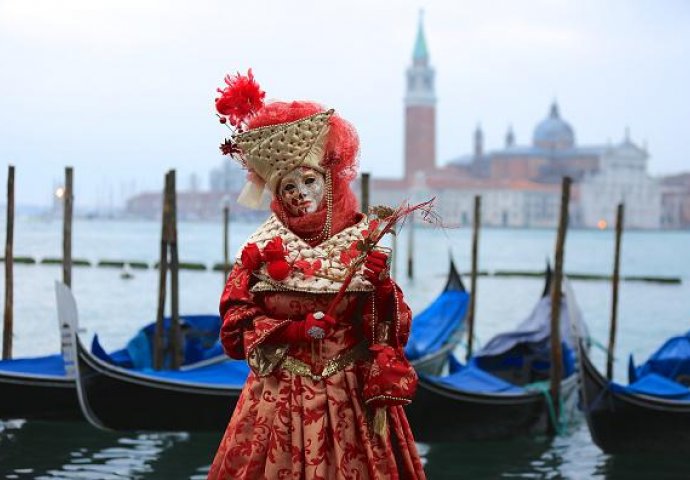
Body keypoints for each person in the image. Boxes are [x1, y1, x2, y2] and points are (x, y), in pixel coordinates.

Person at [208, 71, 426, 480]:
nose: (299, 194)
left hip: (353, 401)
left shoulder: (366, 240)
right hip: (276, 404)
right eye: (287, 187)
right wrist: (288, 331)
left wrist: (379, 287)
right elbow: (235, 328)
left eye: (308, 181)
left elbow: (391, 334)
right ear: (277, 195)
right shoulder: (257, 250)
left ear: (329, 181)